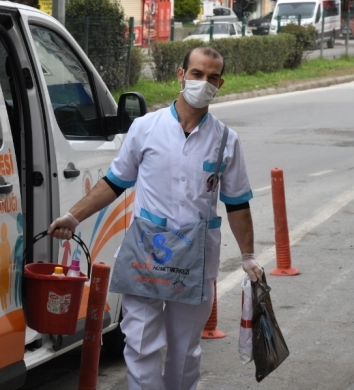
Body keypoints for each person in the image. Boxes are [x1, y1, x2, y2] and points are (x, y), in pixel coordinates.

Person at [48, 46, 263, 390]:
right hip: (145, 254)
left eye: (212, 77)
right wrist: (74, 216)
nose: (203, 82)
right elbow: (115, 182)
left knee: (185, 350)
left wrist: (248, 255)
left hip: (195, 259)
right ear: (181, 75)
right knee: (140, 342)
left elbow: (237, 203)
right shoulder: (146, 128)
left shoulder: (226, 140)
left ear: (220, 84)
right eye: (196, 73)